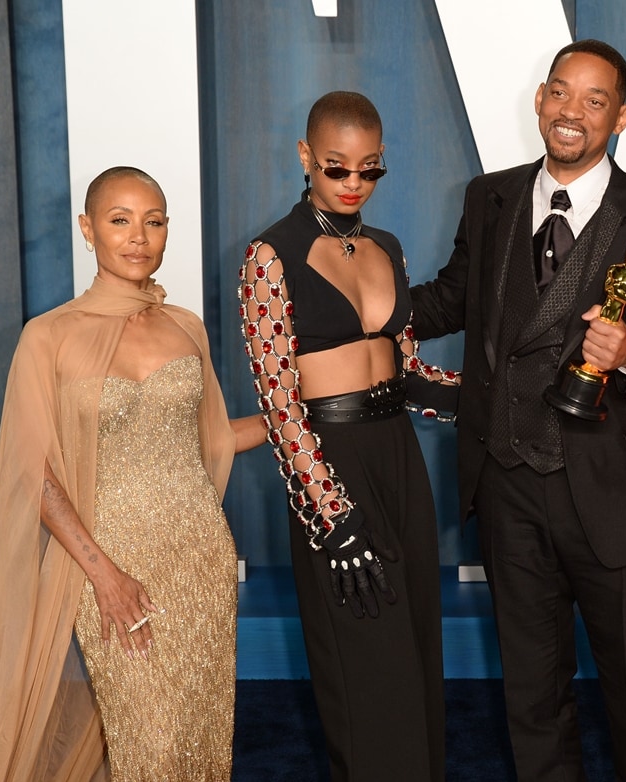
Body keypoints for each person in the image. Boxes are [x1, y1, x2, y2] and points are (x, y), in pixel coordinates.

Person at [410, 39, 626, 781]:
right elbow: (453, 298)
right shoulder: (490, 196)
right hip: (510, 485)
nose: (572, 112)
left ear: (621, 115)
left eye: (595, 99)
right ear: (540, 101)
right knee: (533, 696)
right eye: (560, 93)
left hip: (615, 495)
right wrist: (355, 301)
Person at [0, 167, 266, 780]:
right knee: (148, 744)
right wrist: (105, 575)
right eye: (120, 221)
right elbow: (33, 474)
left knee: (197, 741)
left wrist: (304, 419)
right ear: (88, 230)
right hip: (108, 569)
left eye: (154, 221)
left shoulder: (185, 326)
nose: (138, 237)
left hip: (199, 558)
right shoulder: (49, 337)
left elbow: (215, 440)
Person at [239, 91, 458, 781]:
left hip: (398, 459)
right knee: (366, 669)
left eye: (370, 170)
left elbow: (410, 367)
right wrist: (330, 515)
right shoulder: (268, 256)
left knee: (417, 653)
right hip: (330, 469)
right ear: (307, 158)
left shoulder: (385, 246)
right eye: (337, 169)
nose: (354, 184)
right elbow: (279, 402)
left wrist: (497, 399)